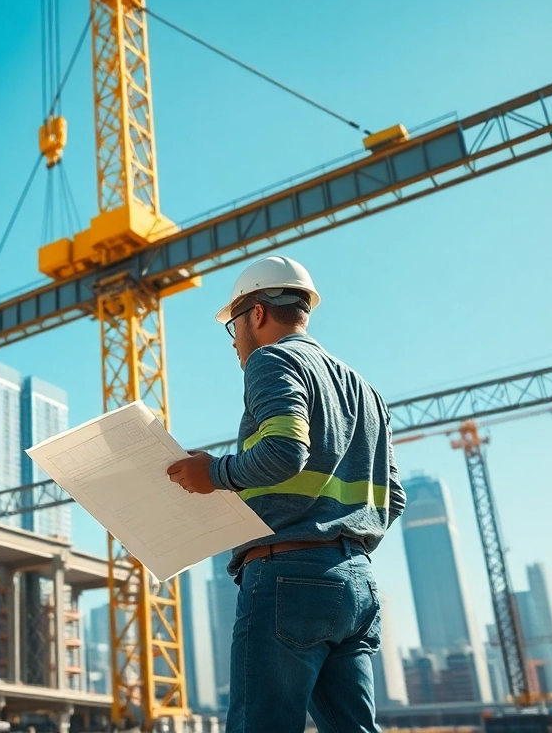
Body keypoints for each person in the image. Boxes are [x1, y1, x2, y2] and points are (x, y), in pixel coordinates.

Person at [166, 256, 405, 733]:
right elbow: (392, 497)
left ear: (256, 314)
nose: (234, 342)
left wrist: (213, 472)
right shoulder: (363, 389)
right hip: (356, 581)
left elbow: (284, 450)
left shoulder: (271, 360)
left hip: (288, 574)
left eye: (232, 326)